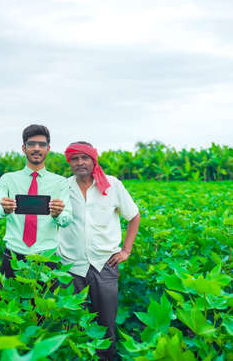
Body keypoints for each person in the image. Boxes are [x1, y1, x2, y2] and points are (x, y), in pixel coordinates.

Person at [58, 142, 140, 361]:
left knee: (105, 324)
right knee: (72, 322)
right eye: (74, 159)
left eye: (84, 158)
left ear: (94, 160)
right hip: (70, 265)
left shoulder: (112, 185)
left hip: (105, 264)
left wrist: (126, 250)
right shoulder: (63, 187)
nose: (79, 163)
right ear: (70, 162)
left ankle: (105, 358)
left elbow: (133, 216)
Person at [0, 124, 72, 279]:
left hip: (46, 257)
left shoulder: (60, 183)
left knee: (45, 303)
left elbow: (67, 220)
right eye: (31, 144)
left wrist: (58, 214)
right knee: (10, 301)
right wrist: (3, 209)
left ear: (48, 149)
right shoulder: (8, 179)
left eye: (42, 144)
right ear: (24, 148)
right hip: (13, 256)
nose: (36, 148)